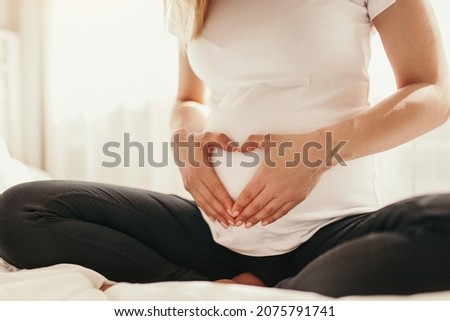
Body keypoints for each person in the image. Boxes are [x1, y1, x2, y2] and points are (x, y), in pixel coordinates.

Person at [1, 0, 450, 297]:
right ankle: (215, 287)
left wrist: (319, 151)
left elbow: (432, 90)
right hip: (212, 232)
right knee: (20, 211)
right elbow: (189, 100)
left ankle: (277, 293)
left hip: (329, 234)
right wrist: (186, 145)